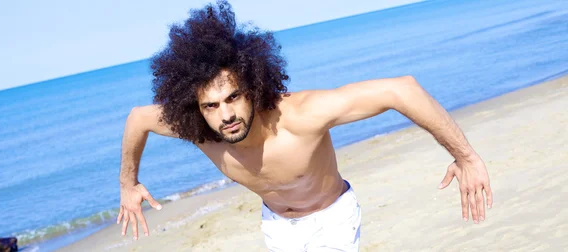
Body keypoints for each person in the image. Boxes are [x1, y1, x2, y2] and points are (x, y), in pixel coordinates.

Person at [117, 1, 493, 250]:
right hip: (276, 227)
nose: (225, 115)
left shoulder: (300, 116)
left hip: (332, 218)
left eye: (233, 98)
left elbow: (401, 89)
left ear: (253, 87)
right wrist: (128, 184)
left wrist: (465, 156)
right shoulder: (199, 130)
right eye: (211, 105)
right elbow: (138, 118)